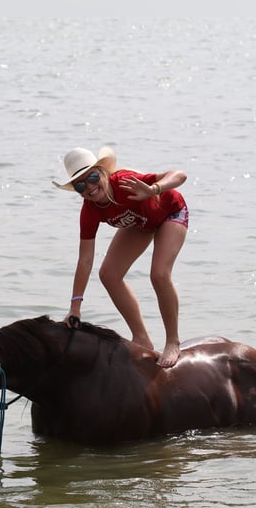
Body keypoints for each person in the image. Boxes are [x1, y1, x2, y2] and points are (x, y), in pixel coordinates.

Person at [52, 146, 188, 367]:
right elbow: (85, 260)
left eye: (93, 177)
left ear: (103, 172)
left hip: (170, 213)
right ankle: (141, 337)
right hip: (140, 223)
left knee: (159, 274)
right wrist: (75, 307)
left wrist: (154, 189)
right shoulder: (89, 210)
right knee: (108, 274)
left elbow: (180, 175)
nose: (89, 187)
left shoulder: (125, 182)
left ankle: (172, 341)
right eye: (80, 185)